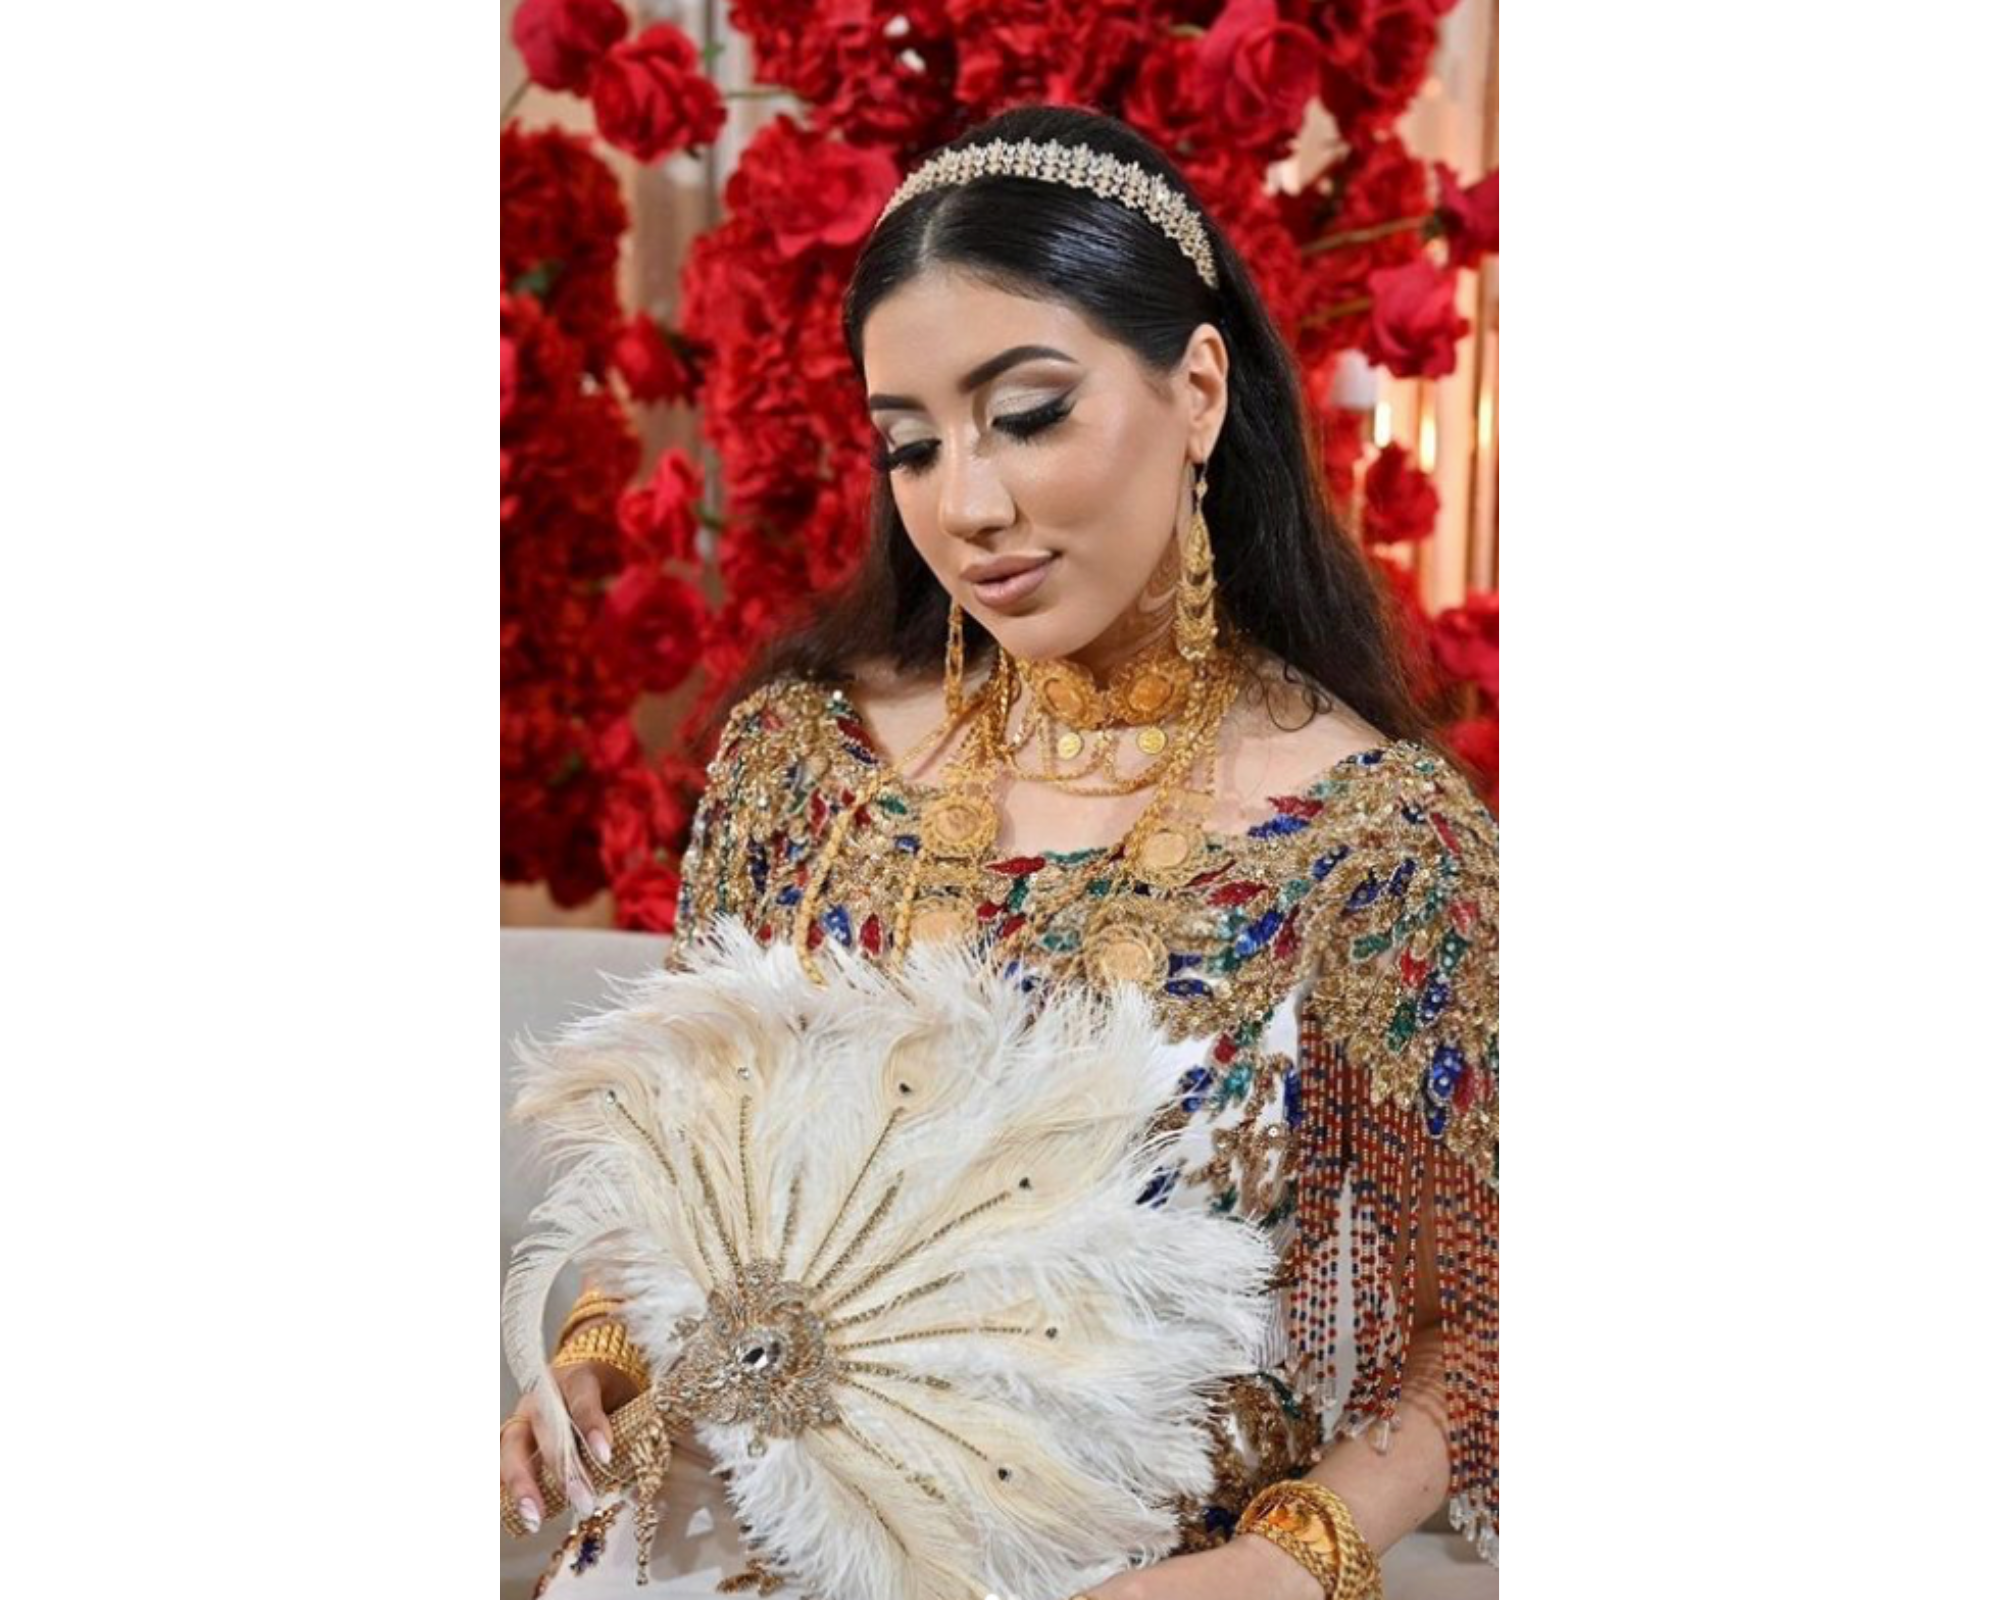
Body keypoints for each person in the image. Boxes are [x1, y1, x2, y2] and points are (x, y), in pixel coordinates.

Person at [501, 103, 1498, 1600]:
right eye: (910, 444)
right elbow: (693, 1170)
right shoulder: (811, 765)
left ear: (1200, 389)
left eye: (1028, 414)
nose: (966, 504)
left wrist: (1294, 1562)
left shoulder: (1375, 845)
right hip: (705, 1538)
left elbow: (1490, 1308)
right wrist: (595, 1350)